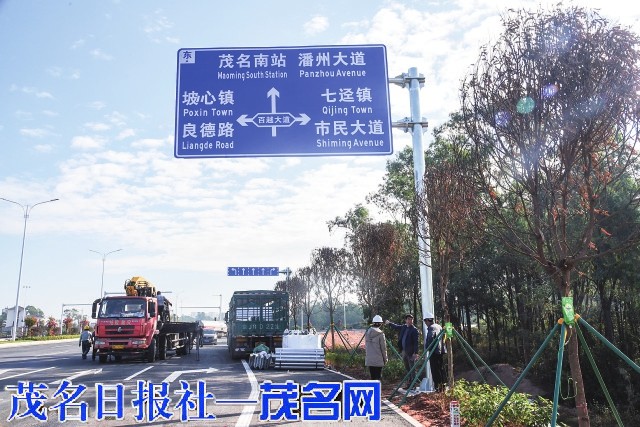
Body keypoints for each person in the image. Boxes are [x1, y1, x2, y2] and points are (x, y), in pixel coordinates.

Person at [385, 313, 420, 388]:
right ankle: (409, 383)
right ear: (406, 320)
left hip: (411, 352)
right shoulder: (404, 327)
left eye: (411, 319)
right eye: (408, 319)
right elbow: (396, 326)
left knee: (412, 369)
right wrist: (389, 323)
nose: (410, 321)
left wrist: (415, 353)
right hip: (404, 351)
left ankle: (413, 384)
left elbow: (416, 342)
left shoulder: (414, 330)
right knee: (407, 368)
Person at [424, 313, 447, 391]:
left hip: (434, 351)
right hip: (440, 351)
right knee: (441, 368)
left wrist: (427, 347)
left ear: (428, 320)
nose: (425, 323)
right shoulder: (438, 326)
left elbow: (430, 338)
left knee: (435, 370)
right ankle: (443, 385)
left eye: (425, 321)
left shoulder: (431, 328)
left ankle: (437, 387)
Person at [365, 315, 388, 381]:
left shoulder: (367, 333)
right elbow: (383, 348)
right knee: (378, 377)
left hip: (369, 359)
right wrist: (385, 359)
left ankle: (373, 387)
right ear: (380, 323)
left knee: (373, 377)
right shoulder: (381, 334)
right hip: (378, 359)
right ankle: (378, 387)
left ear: (373, 323)